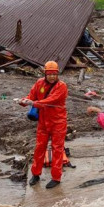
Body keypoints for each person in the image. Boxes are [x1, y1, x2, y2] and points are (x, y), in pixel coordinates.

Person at [19, 60, 68, 189]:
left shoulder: (62, 86)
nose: (52, 76)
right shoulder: (39, 83)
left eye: (54, 74)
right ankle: (35, 174)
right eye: (49, 74)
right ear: (45, 73)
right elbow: (32, 96)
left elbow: (50, 100)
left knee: (57, 149)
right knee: (39, 148)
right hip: (43, 122)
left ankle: (56, 177)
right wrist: (23, 101)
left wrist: (33, 103)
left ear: (57, 74)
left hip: (58, 122)